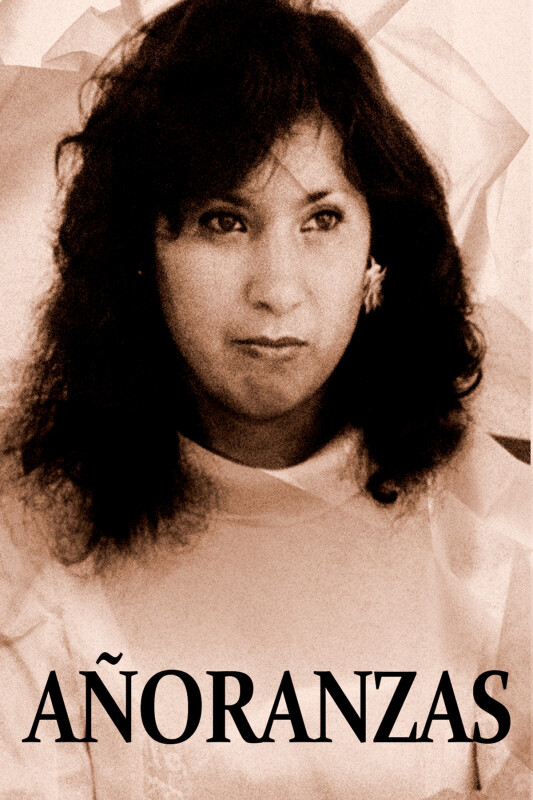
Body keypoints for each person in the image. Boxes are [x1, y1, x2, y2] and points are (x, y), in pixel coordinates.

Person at [0, 0, 529, 797]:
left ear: (376, 250)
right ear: (139, 250)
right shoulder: (26, 537)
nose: (277, 290)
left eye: (321, 219)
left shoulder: (495, 526)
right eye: (223, 221)